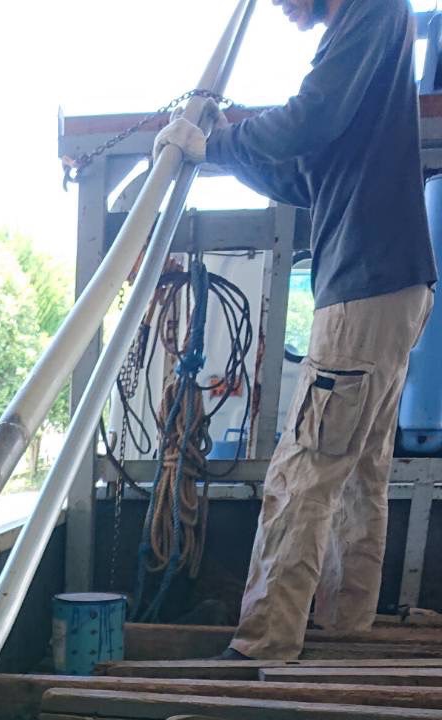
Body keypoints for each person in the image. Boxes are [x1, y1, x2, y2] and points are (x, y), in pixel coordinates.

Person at [154, 0, 437, 661]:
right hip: (391, 284)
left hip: (364, 284)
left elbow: (310, 118)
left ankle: (263, 643)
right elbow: (300, 173)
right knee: (358, 469)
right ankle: (345, 622)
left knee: (304, 469)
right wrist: (221, 149)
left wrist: (215, 144)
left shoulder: (371, 11)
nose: (279, 6)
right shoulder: (364, 43)